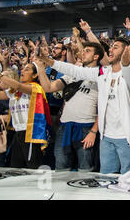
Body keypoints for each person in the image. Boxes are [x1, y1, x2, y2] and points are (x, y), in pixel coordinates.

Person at [37, 36, 130, 174]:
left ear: (126, 51)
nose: (110, 49)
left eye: (115, 47)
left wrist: (126, 62)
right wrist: (48, 61)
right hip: (107, 137)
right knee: (106, 178)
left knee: (129, 178)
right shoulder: (103, 72)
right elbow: (75, 70)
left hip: (127, 136)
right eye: (111, 46)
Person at [34, 42, 104, 172]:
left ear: (96, 56)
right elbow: (48, 88)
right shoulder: (73, 74)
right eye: (83, 50)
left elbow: (104, 108)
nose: (83, 52)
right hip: (65, 126)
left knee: (85, 169)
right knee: (61, 167)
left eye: (87, 51)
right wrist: (40, 67)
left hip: (86, 128)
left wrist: (94, 131)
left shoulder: (101, 76)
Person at [0, 62, 51, 169]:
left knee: (33, 167)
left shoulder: (36, 88)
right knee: (15, 167)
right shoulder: (14, 92)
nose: (23, 71)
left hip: (31, 134)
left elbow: (19, 85)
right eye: (23, 69)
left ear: (34, 75)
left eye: (27, 69)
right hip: (18, 132)